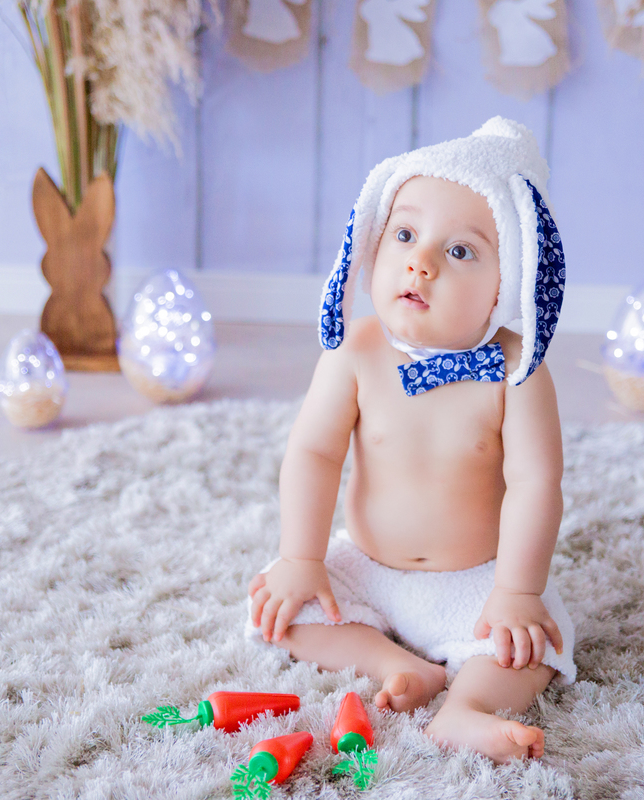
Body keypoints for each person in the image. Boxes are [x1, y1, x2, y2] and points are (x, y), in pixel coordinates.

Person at [246, 117, 574, 763]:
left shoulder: (517, 370)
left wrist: (518, 591)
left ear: (506, 283)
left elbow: (539, 484)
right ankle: (391, 661)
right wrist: (302, 557)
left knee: (540, 640)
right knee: (277, 608)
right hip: (367, 567)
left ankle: (466, 708)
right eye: (405, 234)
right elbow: (313, 454)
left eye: (460, 252)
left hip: (478, 579)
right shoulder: (356, 352)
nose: (420, 262)